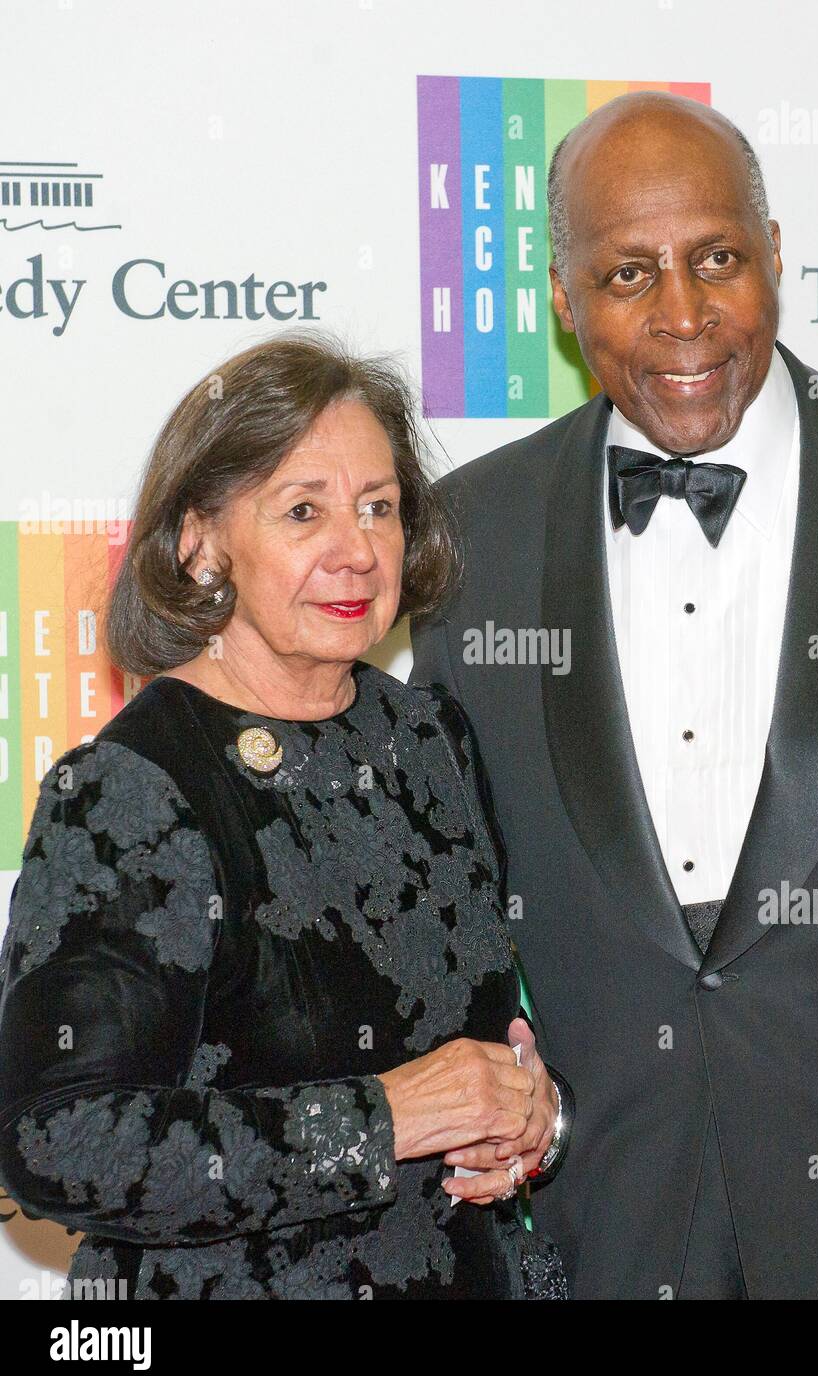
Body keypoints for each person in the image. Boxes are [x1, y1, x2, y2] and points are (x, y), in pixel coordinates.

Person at [409, 90, 818, 1299]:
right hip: (611, 1213)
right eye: (629, 273)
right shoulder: (463, 543)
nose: (683, 316)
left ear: (777, 255)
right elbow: (451, 919)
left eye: (717, 259)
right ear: (560, 299)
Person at [0, 332, 571, 1300]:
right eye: (302, 510)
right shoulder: (132, 788)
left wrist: (533, 1117)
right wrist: (383, 1117)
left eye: (379, 508)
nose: (356, 550)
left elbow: (493, 1038)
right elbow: (58, 1136)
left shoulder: (431, 740)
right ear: (200, 540)